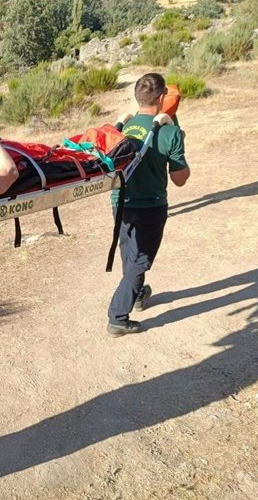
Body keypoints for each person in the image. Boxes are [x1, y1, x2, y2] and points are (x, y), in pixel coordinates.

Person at [107, 73, 191, 337]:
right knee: (140, 260)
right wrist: (178, 142)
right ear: (162, 97)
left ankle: (139, 295)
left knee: (128, 250)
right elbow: (180, 179)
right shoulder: (169, 131)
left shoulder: (120, 128)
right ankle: (118, 318)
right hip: (151, 206)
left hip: (119, 203)